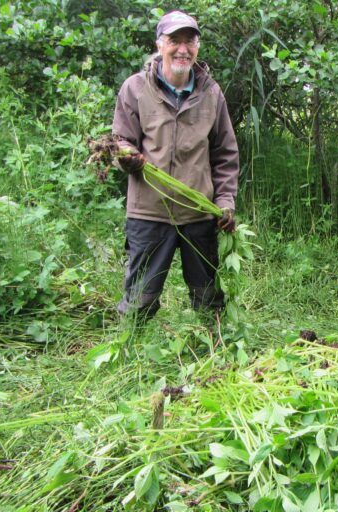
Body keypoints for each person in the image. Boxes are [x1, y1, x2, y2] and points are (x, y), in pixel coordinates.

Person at [112, 10, 239, 320]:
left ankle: (213, 347)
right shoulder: (135, 88)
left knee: (207, 294)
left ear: (197, 47)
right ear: (160, 44)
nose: (183, 49)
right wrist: (128, 157)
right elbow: (121, 139)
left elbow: (225, 154)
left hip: (198, 212)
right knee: (141, 293)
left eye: (190, 41)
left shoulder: (211, 92)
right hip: (149, 210)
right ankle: (132, 347)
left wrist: (224, 202)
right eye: (175, 41)